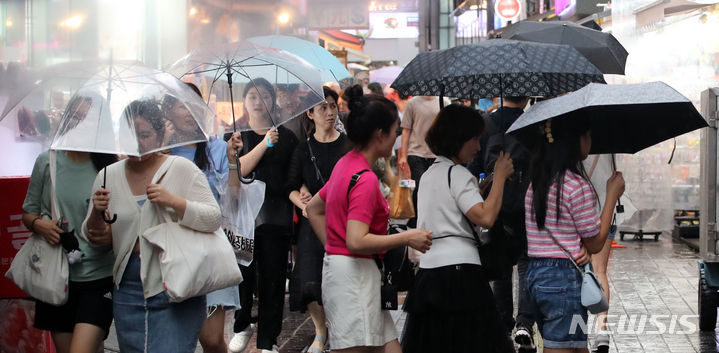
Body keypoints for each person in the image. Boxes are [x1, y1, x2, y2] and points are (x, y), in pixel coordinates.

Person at [305, 85, 433, 353]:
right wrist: (409, 236)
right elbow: (356, 240)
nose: (397, 136)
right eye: (395, 131)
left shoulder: (346, 164)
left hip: (352, 275)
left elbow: (314, 208)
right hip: (354, 280)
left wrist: (333, 246)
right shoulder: (364, 179)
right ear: (379, 134)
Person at [84, 100, 220, 353]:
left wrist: (175, 202)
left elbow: (213, 218)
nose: (137, 143)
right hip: (128, 286)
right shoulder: (107, 175)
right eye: (129, 135)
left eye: (144, 135)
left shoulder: (181, 169)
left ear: (160, 136)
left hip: (176, 281)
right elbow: (93, 235)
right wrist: (96, 212)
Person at [401, 104, 515, 353]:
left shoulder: (430, 173)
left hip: (429, 271)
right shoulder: (459, 175)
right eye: (474, 139)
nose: (477, 146)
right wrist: (501, 177)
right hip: (461, 274)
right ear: (458, 139)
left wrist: (480, 189)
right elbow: (485, 217)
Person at [22, 98, 117, 353]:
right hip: (56, 276)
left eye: (86, 118)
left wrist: (108, 235)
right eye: (73, 116)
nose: (78, 123)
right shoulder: (47, 161)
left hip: (98, 278)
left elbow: (124, 222)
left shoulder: (111, 166)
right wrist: (41, 225)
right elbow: (28, 213)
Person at [525, 116, 624, 353]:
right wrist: (611, 196)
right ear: (575, 141)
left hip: (536, 276)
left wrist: (577, 244)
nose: (591, 141)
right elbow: (596, 242)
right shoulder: (576, 186)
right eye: (588, 136)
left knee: (574, 346)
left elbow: (558, 231)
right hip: (562, 281)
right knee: (560, 347)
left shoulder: (536, 184)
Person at [164, 83, 241, 353]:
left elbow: (232, 195)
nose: (188, 112)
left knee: (210, 339)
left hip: (209, 250)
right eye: (180, 105)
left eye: (192, 105)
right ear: (168, 111)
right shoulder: (160, 153)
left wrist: (233, 160)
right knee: (180, 338)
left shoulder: (216, 148)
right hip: (174, 251)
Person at [226, 78, 298, 353]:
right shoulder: (236, 137)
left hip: (275, 218)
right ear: (244, 102)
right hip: (243, 219)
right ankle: (242, 325)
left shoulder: (287, 138)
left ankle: (269, 339)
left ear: (273, 101)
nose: (258, 102)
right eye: (252, 97)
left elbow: (293, 176)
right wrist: (264, 143)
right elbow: (240, 171)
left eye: (264, 96)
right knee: (242, 276)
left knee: (273, 279)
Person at [467, 96, 536, 350]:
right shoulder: (535, 121)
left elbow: (474, 167)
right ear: (527, 95)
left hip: (494, 206)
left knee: (500, 267)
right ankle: (526, 323)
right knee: (527, 263)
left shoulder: (486, 124)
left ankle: (502, 322)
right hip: (529, 205)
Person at [286, 86, 351, 353]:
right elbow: (289, 186)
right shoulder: (303, 149)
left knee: (343, 277)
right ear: (310, 114)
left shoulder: (348, 146)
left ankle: (341, 329)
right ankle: (321, 331)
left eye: (333, 106)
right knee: (308, 279)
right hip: (312, 223)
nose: (329, 112)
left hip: (343, 220)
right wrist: (300, 201)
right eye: (322, 107)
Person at [398, 95, 449, 228]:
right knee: (421, 187)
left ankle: (432, 219)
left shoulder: (444, 102)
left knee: (436, 189)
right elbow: (406, 131)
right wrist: (403, 156)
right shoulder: (412, 103)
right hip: (416, 153)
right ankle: (417, 221)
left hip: (437, 154)